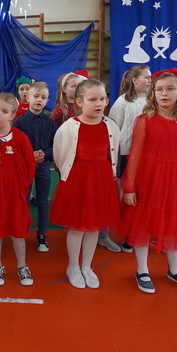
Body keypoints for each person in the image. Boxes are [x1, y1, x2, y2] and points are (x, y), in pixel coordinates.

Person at [121, 69, 177, 294]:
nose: (164, 93)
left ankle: (175, 270)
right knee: (143, 224)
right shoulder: (144, 120)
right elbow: (135, 155)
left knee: (173, 224)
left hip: (175, 181)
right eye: (159, 89)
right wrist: (129, 187)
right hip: (148, 180)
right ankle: (142, 270)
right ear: (152, 93)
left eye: (170, 89)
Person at [51, 79, 120, 289]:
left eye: (102, 99)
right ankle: (73, 265)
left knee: (93, 227)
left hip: (101, 180)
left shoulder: (110, 126)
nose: (99, 103)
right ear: (79, 102)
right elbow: (60, 155)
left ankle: (87, 266)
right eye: (92, 99)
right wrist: (70, 174)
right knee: (78, 227)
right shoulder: (68, 127)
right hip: (77, 180)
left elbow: (113, 153)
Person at [0, 93, 36, 286]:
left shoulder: (20, 139)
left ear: (12, 116)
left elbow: (30, 166)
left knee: (18, 233)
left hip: (15, 195)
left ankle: (22, 266)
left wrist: (22, 189)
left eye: (4, 111)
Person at [108, 65, 152, 253]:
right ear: (135, 80)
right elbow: (112, 129)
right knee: (126, 194)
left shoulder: (152, 100)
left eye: (150, 77)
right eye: (146, 77)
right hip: (125, 154)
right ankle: (123, 233)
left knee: (142, 195)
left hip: (146, 154)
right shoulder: (122, 102)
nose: (150, 81)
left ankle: (137, 232)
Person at [13, 81, 55, 253]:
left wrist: (45, 154)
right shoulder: (19, 122)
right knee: (23, 199)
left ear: (47, 101)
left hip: (43, 166)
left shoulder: (50, 123)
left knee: (43, 200)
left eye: (43, 97)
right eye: (36, 96)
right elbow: (14, 147)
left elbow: (54, 147)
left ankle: (42, 234)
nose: (39, 100)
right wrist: (30, 155)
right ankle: (22, 230)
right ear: (27, 98)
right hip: (24, 168)